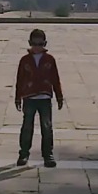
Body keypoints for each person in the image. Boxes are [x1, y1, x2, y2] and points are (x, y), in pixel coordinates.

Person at [14, 29, 64, 168]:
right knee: (27, 126)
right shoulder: (25, 60)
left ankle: (48, 154)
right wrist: (18, 97)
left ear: (45, 43)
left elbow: (55, 78)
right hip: (29, 97)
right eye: (34, 44)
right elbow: (20, 79)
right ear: (30, 43)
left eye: (40, 44)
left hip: (44, 97)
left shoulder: (50, 59)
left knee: (47, 127)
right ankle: (24, 153)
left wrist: (59, 96)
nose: (37, 47)